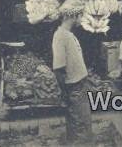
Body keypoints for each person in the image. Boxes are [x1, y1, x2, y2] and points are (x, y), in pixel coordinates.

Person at [52, 12, 93, 145]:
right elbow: (59, 69)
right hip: (74, 87)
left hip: (79, 85)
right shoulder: (60, 36)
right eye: (81, 15)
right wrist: (65, 93)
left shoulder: (69, 35)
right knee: (80, 125)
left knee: (81, 124)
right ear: (73, 16)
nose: (82, 19)